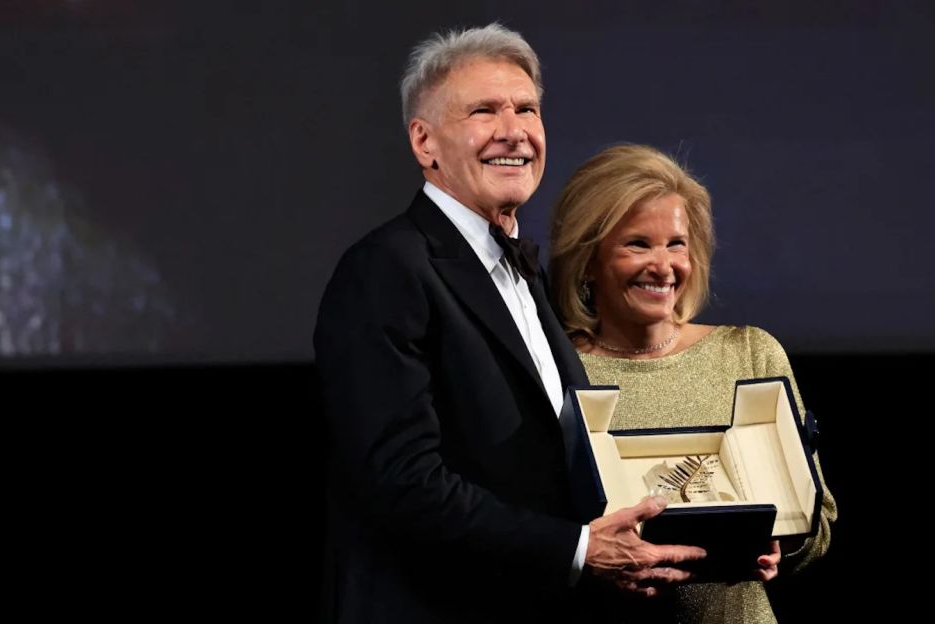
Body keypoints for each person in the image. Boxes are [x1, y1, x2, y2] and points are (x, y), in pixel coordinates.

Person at [313, 27, 705, 624]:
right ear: (424, 142)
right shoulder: (386, 269)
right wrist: (579, 549)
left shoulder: (525, 276)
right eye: (484, 110)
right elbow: (402, 482)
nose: (514, 130)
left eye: (527, 109)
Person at [549, 144, 838, 623]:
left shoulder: (748, 354)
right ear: (587, 258)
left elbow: (819, 522)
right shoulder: (555, 370)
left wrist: (782, 545)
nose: (663, 266)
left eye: (676, 244)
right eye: (638, 244)